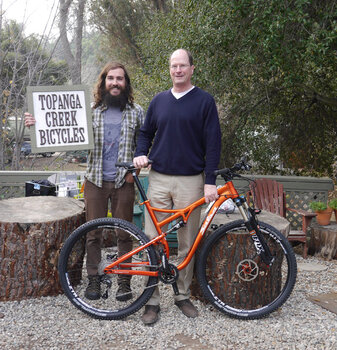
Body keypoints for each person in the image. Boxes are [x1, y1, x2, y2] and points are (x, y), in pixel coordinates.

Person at [25, 62, 144, 302]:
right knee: (93, 234)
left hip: (124, 181)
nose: (115, 83)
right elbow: (60, 127)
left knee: (124, 234)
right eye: (111, 78)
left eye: (120, 79)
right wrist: (37, 124)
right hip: (95, 182)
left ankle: (123, 281)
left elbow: (144, 143)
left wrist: (136, 171)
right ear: (103, 82)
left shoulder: (137, 111)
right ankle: (94, 280)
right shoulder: (89, 111)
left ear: (126, 83)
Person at [133, 49, 221, 325]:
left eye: (183, 65)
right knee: (152, 241)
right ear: (169, 69)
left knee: (187, 241)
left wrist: (210, 181)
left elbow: (213, 142)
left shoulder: (205, 101)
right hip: (157, 178)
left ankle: (182, 295)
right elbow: (145, 132)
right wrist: (140, 152)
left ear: (192, 68)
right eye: (174, 66)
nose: (178, 70)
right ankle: (152, 301)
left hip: (191, 180)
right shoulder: (159, 101)